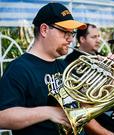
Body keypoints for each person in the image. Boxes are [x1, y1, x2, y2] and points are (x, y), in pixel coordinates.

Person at [0, 2, 87, 135]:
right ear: (44, 30)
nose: (70, 39)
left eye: (72, 33)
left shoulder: (63, 66)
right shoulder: (19, 69)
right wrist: (48, 111)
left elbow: (83, 104)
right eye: (65, 32)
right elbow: (3, 117)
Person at [64, 23, 114, 135]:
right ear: (82, 39)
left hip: (102, 110)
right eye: (93, 37)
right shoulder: (70, 61)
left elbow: (111, 88)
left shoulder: (101, 57)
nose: (98, 40)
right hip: (86, 114)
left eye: (98, 36)